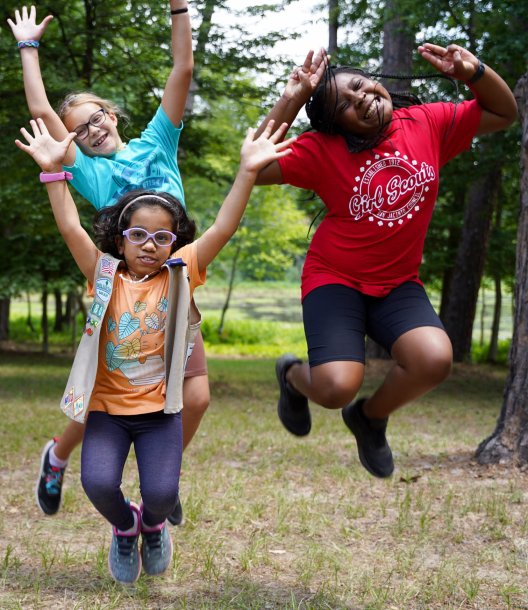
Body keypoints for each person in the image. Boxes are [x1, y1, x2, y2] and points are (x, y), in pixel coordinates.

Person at [16, 116, 293, 583]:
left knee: (163, 494)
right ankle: (126, 529)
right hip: (107, 409)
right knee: (98, 483)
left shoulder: (182, 272)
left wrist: (246, 173)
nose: (149, 244)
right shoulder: (103, 273)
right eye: (138, 235)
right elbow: (69, 226)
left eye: (162, 236)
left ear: (174, 241)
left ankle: (152, 522)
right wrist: (53, 173)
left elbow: (224, 226)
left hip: (160, 413)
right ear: (120, 238)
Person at [255, 44, 517, 478]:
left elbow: (505, 113)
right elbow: (257, 164)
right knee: (336, 387)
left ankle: (370, 418)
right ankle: (292, 377)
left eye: (360, 86)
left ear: (374, 79)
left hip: (397, 283)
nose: (361, 98)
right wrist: (295, 96)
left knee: (434, 360)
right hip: (335, 278)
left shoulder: (427, 122)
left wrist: (475, 72)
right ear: (337, 125)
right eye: (346, 105)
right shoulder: (322, 150)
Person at [8, 3, 205, 524]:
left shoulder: (158, 142)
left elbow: (181, 71)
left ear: (112, 115)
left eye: (96, 117)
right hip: (119, 294)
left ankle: (163, 480)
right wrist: (28, 47)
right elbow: (42, 112)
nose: (90, 129)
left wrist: (180, 9)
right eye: (79, 128)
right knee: (102, 395)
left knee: (198, 397)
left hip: (176, 287)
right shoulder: (90, 175)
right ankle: (57, 456)